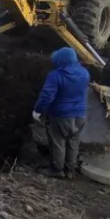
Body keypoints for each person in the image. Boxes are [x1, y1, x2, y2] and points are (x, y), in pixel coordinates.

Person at [32, 47, 90, 178]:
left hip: (62, 115)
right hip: (80, 114)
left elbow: (47, 95)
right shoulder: (84, 73)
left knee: (58, 141)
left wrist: (38, 110)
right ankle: (70, 170)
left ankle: (57, 169)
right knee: (73, 141)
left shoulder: (56, 75)